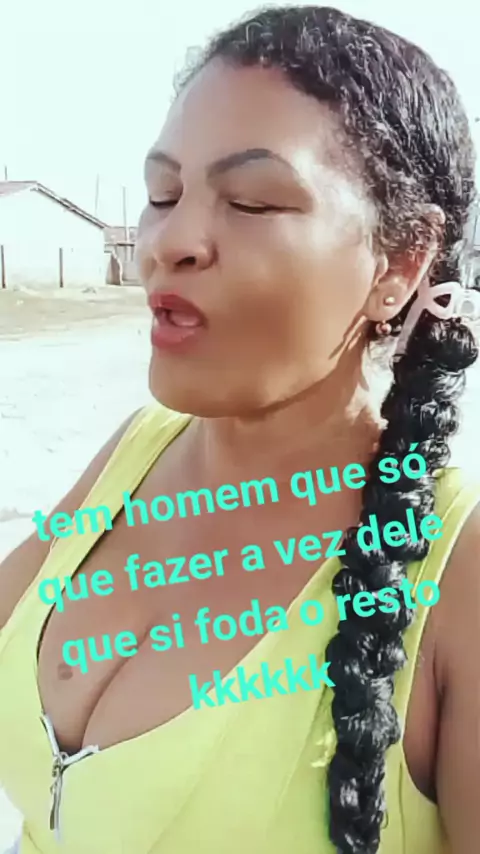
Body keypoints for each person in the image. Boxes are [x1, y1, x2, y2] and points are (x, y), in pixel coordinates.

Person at [1, 6, 479, 853]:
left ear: (401, 261)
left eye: (252, 203)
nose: (171, 241)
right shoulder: (133, 453)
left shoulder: (456, 572)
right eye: (163, 194)